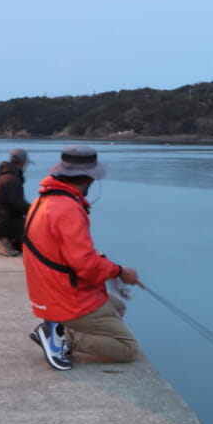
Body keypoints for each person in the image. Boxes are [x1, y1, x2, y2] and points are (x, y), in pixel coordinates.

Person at [23, 145, 143, 370]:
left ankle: (58, 328)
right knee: (127, 348)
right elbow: (84, 265)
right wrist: (119, 271)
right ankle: (64, 338)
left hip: (48, 292)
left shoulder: (46, 199)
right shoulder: (67, 208)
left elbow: (68, 256)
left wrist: (109, 269)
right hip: (66, 298)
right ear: (90, 176)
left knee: (117, 307)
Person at [0, 148, 31, 256]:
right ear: (22, 162)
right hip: (4, 223)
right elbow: (19, 205)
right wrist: (35, 211)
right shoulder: (12, 180)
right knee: (34, 229)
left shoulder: (5, 176)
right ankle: (4, 241)